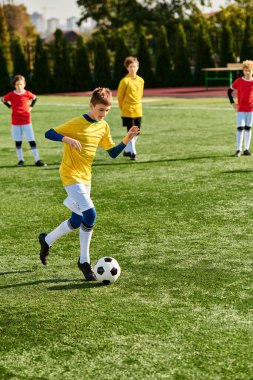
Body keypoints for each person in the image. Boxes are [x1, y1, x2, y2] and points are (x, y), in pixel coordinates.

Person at [38, 87, 139, 281]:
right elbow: (48, 133)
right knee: (90, 214)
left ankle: (46, 240)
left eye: (107, 111)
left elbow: (112, 152)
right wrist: (66, 138)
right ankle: (84, 261)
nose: (104, 114)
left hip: (86, 177)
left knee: (77, 220)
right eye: (101, 110)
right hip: (70, 174)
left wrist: (128, 138)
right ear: (91, 105)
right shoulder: (77, 123)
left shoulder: (104, 126)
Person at [2, 74, 46, 167]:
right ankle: (20, 160)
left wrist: (31, 107)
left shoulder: (27, 93)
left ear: (24, 84)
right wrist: (10, 107)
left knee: (31, 140)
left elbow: (35, 98)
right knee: (18, 141)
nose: (19, 86)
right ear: (14, 85)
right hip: (15, 122)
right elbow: (3, 99)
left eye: (21, 84)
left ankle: (37, 160)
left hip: (26, 121)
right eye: (17, 84)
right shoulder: (11, 94)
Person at [117, 56, 144, 161]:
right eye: (131, 67)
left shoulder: (141, 80)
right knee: (131, 132)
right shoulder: (124, 81)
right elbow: (120, 97)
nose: (133, 68)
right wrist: (122, 109)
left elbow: (140, 94)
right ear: (127, 68)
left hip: (138, 109)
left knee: (137, 132)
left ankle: (127, 150)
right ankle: (133, 153)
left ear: (137, 67)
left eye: (134, 66)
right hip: (128, 111)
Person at [227, 60, 253, 157]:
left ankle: (246, 149)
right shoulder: (239, 81)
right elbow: (229, 92)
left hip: (251, 109)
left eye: (250, 70)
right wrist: (232, 103)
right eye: (246, 70)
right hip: (241, 109)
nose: (248, 72)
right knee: (240, 128)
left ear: (252, 71)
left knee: (248, 128)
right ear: (243, 71)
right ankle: (238, 149)